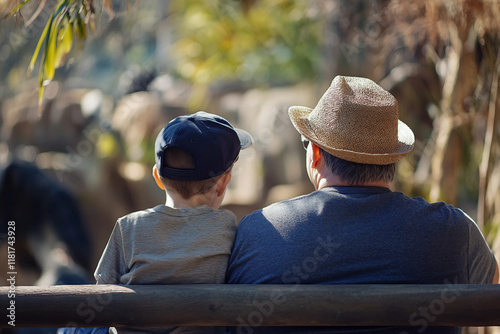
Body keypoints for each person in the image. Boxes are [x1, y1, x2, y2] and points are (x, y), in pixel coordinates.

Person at [226, 76, 499, 334]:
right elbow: (489, 288)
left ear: (316, 154)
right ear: (393, 159)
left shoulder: (259, 231)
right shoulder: (455, 232)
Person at [95, 111, 253, 334]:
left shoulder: (128, 227)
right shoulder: (227, 227)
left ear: (157, 177)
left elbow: (101, 294)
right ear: (223, 183)